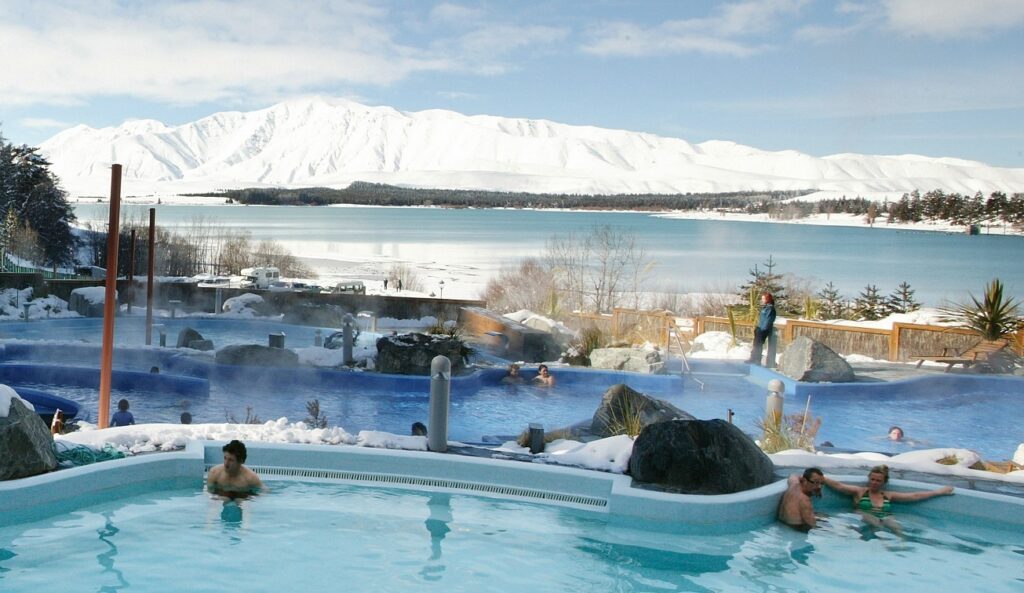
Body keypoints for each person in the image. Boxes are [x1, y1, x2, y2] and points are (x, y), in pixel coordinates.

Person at [824, 465, 953, 533]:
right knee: (875, 521)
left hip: (884, 518)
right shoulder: (860, 492)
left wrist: (939, 492)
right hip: (864, 518)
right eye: (872, 479)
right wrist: (819, 477)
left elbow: (914, 496)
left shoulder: (888, 495)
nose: (874, 482)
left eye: (878, 480)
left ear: (884, 482)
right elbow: (838, 486)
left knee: (897, 527)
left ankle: (901, 546)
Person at [747, 292, 777, 365]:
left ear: (767, 299)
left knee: (758, 344)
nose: (762, 300)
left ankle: (756, 359)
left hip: (763, 329)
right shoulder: (765, 307)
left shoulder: (770, 308)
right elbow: (762, 319)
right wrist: (758, 328)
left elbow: (768, 320)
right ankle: (753, 358)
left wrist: (762, 329)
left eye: (763, 298)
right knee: (756, 344)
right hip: (760, 328)